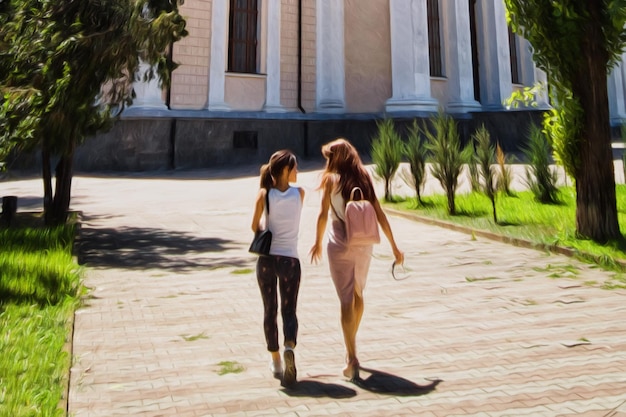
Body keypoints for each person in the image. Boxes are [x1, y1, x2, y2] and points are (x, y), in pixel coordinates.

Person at [309, 138, 404, 380]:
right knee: (358, 293)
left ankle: (351, 355)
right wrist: (394, 246)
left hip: (339, 240)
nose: (327, 161)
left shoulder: (330, 180)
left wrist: (317, 242)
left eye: (330, 156)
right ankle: (350, 346)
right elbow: (379, 213)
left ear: (337, 157)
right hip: (363, 243)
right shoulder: (364, 177)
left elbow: (322, 215)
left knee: (345, 298)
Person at [250, 150, 305, 387]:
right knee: (289, 310)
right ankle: (289, 346)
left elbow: (256, 227)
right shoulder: (300, 193)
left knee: (269, 310)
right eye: (294, 167)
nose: (297, 172)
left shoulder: (264, 194)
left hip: (267, 260)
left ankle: (275, 361)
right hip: (290, 260)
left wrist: (267, 222)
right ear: (285, 170)